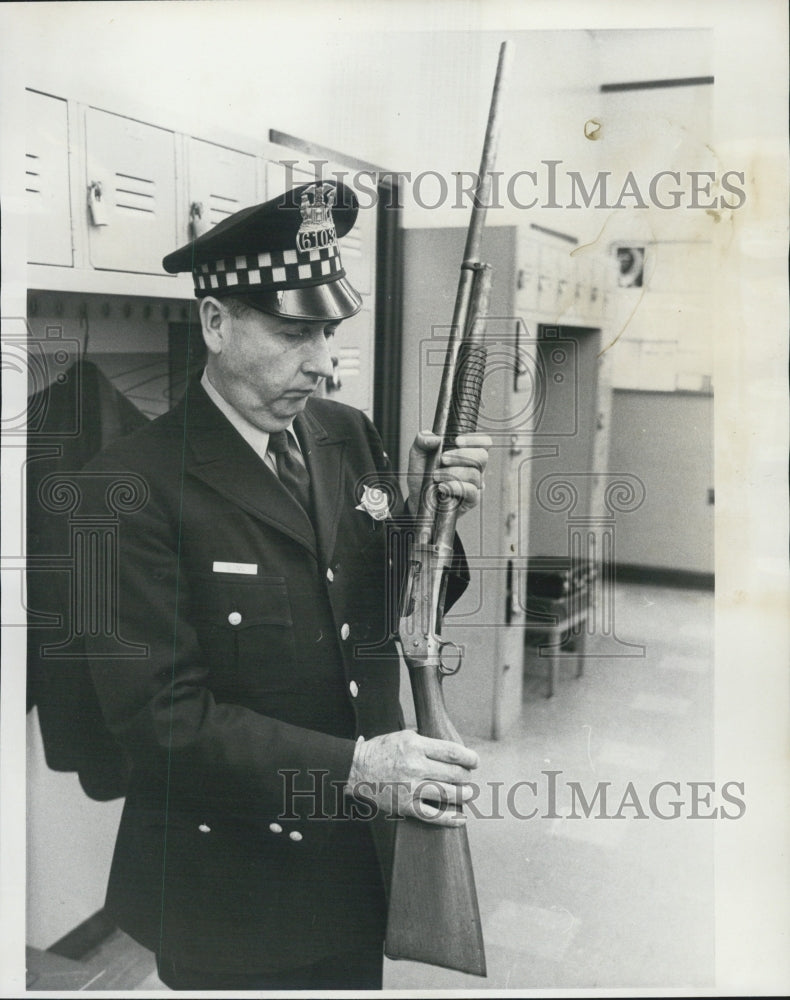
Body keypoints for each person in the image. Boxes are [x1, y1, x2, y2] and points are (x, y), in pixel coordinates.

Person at [82, 180, 491, 990]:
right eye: (294, 332)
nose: (322, 363)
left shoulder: (347, 434)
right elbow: (160, 721)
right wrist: (358, 769)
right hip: (230, 891)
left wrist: (427, 525)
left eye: (328, 332)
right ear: (215, 322)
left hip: (355, 863)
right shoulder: (125, 487)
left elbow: (393, 614)